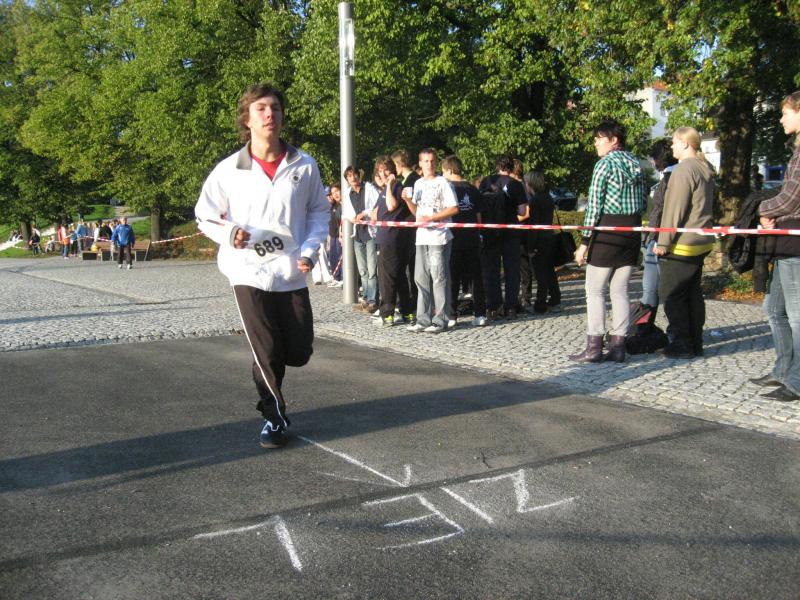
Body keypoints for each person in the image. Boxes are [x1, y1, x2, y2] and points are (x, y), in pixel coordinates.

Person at [195, 82, 329, 448]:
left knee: (297, 350)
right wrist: (229, 233)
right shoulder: (229, 169)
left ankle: (275, 383)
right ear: (247, 120)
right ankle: (274, 417)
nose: (270, 114)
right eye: (261, 109)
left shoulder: (304, 164)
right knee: (266, 349)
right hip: (247, 270)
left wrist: (310, 249)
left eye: (275, 108)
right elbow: (204, 215)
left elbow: (319, 211)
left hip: (290, 270)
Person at [571, 119, 646, 363]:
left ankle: (594, 347)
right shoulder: (636, 162)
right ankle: (618, 347)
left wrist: (584, 243)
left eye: (599, 138)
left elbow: (594, 206)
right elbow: (644, 201)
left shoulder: (604, 165)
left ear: (613, 140)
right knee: (620, 290)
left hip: (608, 230)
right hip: (632, 229)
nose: (595, 143)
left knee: (594, 290)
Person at [751, 91, 800, 402]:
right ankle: (783, 370)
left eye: (786, 113)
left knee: (797, 316)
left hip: (795, 243)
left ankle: (796, 381)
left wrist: (761, 208)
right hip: (786, 241)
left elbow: (791, 198)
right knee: (774, 309)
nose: (781, 119)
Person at [654, 127, 716, 359]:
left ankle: (682, 344)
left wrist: (663, 241)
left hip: (682, 243)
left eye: (674, 142)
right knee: (692, 294)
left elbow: (674, 210)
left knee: (672, 295)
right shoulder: (705, 167)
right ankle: (696, 342)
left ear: (686, 143)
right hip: (701, 239)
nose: (671, 146)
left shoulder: (683, 170)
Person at [403, 148, 459, 333]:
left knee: (439, 278)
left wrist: (433, 218)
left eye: (432, 161)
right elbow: (417, 212)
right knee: (420, 278)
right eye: (426, 161)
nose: (429, 164)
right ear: (420, 163)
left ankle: (440, 320)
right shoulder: (418, 183)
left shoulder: (443, 182)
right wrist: (408, 201)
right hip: (422, 236)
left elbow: (454, 208)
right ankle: (423, 319)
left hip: (439, 236)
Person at [479, 155, 528, 320]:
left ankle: (492, 307)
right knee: (512, 270)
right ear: (511, 167)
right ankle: (510, 307)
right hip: (511, 231)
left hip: (490, 230)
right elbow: (522, 211)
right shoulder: (516, 184)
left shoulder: (486, 181)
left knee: (490, 269)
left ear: (496, 166)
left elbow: (480, 208)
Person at [442, 154, 487, 327]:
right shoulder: (473, 189)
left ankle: (452, 315)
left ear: (449, 170)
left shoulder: (447, 188)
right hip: (472, 237)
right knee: (476, 277)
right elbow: (479, 217)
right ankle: (480, 314)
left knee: (452, 278)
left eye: (443, 171)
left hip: (453, 238)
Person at [372, 156, 416, 326]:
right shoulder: (383, 190)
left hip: (392, 238)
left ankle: (387, 313)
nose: (383, 174)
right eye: (380, 171)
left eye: (386, 170)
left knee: (387, 277)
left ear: (392, 171)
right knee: (399, 276)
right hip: (389, 237)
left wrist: (390, 184)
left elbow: (391, 206)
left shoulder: (395, 186)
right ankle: (407, 311)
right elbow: (375, 213)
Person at [522, 170, 561, 314]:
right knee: (549, 271)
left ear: (530, 184)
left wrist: (530, 247)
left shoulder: (535, 200)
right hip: (549, 237)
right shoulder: (548, 197)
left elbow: (534, 226)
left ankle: (540, 304)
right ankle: (555, 299)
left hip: (539, 240)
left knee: (540, 274)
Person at [343, 165, 379, 312]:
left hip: (370, 233)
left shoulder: (369, 189)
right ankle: (365, 298)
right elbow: (346, 212)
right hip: (357, 234)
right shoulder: (348, 193)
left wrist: (365, 213)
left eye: (355, 175)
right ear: (347, 179)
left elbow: (377, 206)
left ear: (359, 175)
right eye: (349, 176)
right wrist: (352, 217)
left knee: (372, 269)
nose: (353, 178)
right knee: (363, 270)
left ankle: (372, 301)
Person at [327, 182, 344, 286]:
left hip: (340, 236)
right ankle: (336, 277)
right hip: (333, 235)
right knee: (333, 257)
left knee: (341, 257)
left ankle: (342, 277)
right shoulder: (334, 205)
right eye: (333, 193)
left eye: (337, 191)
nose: (336, 194)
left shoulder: (344, 205)